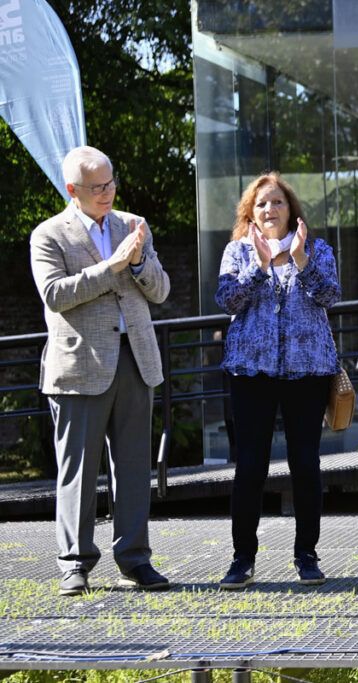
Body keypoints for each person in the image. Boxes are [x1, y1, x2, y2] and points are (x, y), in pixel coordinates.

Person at [29, 146, 171, 596]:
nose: (108, 192)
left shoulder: (133, 226)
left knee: (133, 467)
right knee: (79, 470)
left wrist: (139, 262)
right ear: (73, 190)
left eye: (111, 183)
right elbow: (55, 294)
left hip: (136, 358)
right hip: (79, 366)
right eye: (97, 187)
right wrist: (111, 267)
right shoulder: (49, 235)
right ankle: (75, 562)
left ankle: (135, 559)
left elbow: (161, 290)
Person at [215, 172, 341, 590]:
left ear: (292, 210)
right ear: (251, 212)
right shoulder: (237, 252)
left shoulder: (318, 249)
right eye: (262, 204)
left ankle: (307, 555)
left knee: (305, 464)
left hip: (307, 372)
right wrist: (260, 265)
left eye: (278, 203)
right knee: (250, 466)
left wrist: (300, 260)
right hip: (252, 372)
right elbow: (227, 299)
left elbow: (329, 297)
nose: (271, 210)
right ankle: (242, 558)